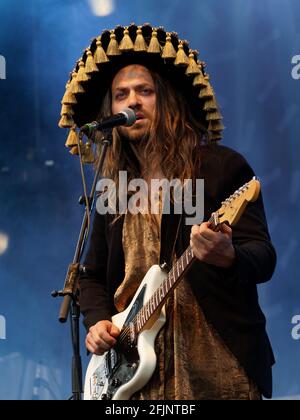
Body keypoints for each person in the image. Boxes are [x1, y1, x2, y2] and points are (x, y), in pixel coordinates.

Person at [59, 24, 276, 400]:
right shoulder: (113, 187)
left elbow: (263, 257)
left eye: (145, 91)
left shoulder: (222, 167)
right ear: (109, 109)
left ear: (169, 99)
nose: (132, 102)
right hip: (134, 367)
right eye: (120, 95)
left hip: (214, 360)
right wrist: (96, 324)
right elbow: (91, 275)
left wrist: (229, 257)